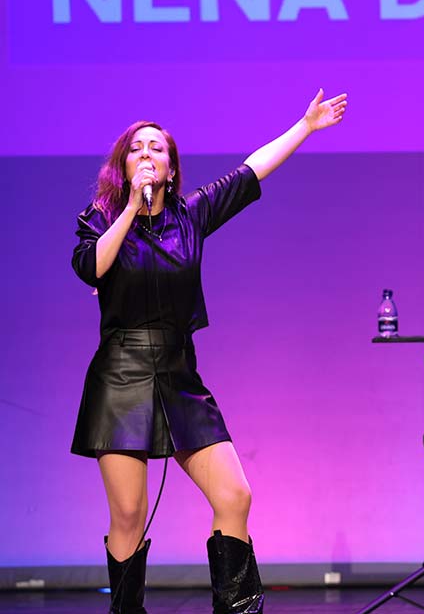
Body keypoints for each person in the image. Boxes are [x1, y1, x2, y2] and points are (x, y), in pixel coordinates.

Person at [70, 89, 348, 614]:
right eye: (137, 148)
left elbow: (251, 171)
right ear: (123, 165)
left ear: (172, 169)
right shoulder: (101, 219)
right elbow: (91, 267)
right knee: (128, 514)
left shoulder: (191, 217)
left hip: (178, 373)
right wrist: (130, 207)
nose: (148, 154)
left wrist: (305, 126)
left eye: (158, 148)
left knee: (234, 497)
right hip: (121, 376)